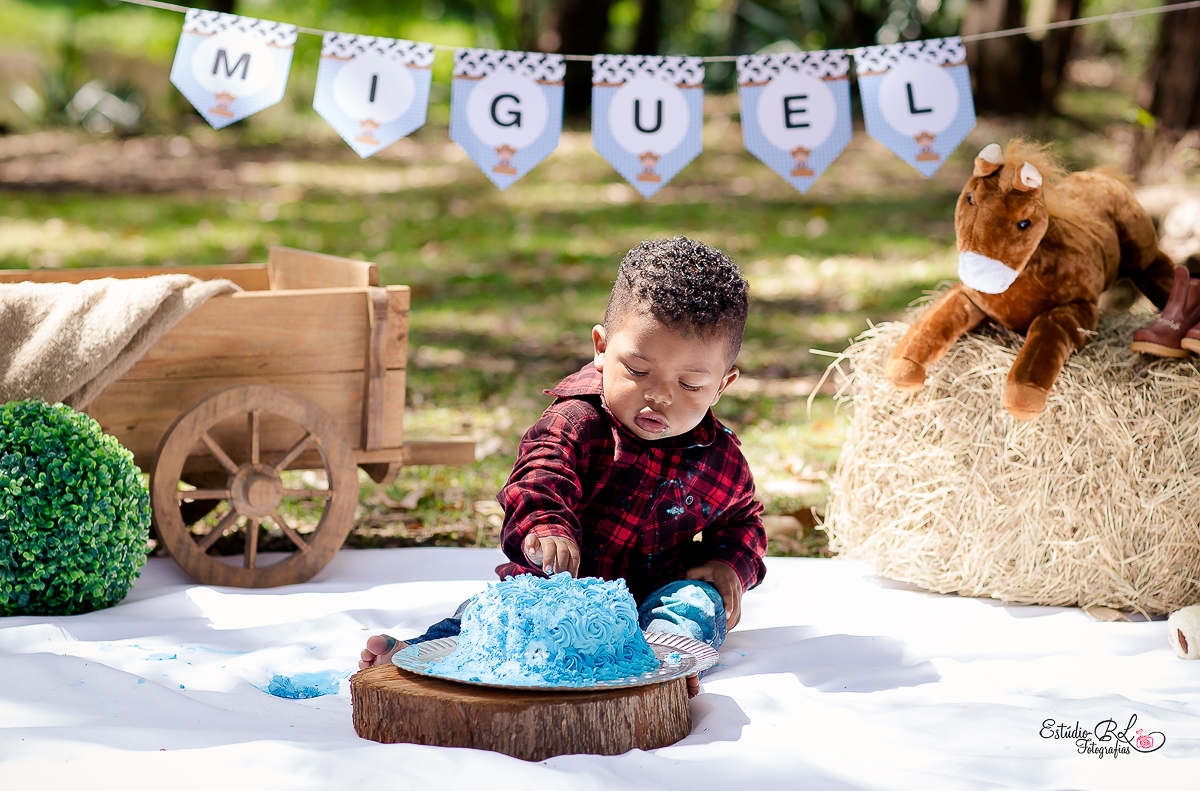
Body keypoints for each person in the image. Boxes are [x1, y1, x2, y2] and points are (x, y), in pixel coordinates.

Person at [360, 237, 767, 696]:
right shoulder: (575, 422)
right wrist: (546, 528)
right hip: (556, 593)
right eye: (637, 370)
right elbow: (541, 477)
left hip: (655, 599)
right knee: (495, 615)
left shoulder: (718, 457)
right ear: (601, 347)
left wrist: (728, 562)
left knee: (695, 603)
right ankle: (420, 653)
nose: (659, 396)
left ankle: (667, 666)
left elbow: (743, 519)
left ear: (721, 386)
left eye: (690, 384)